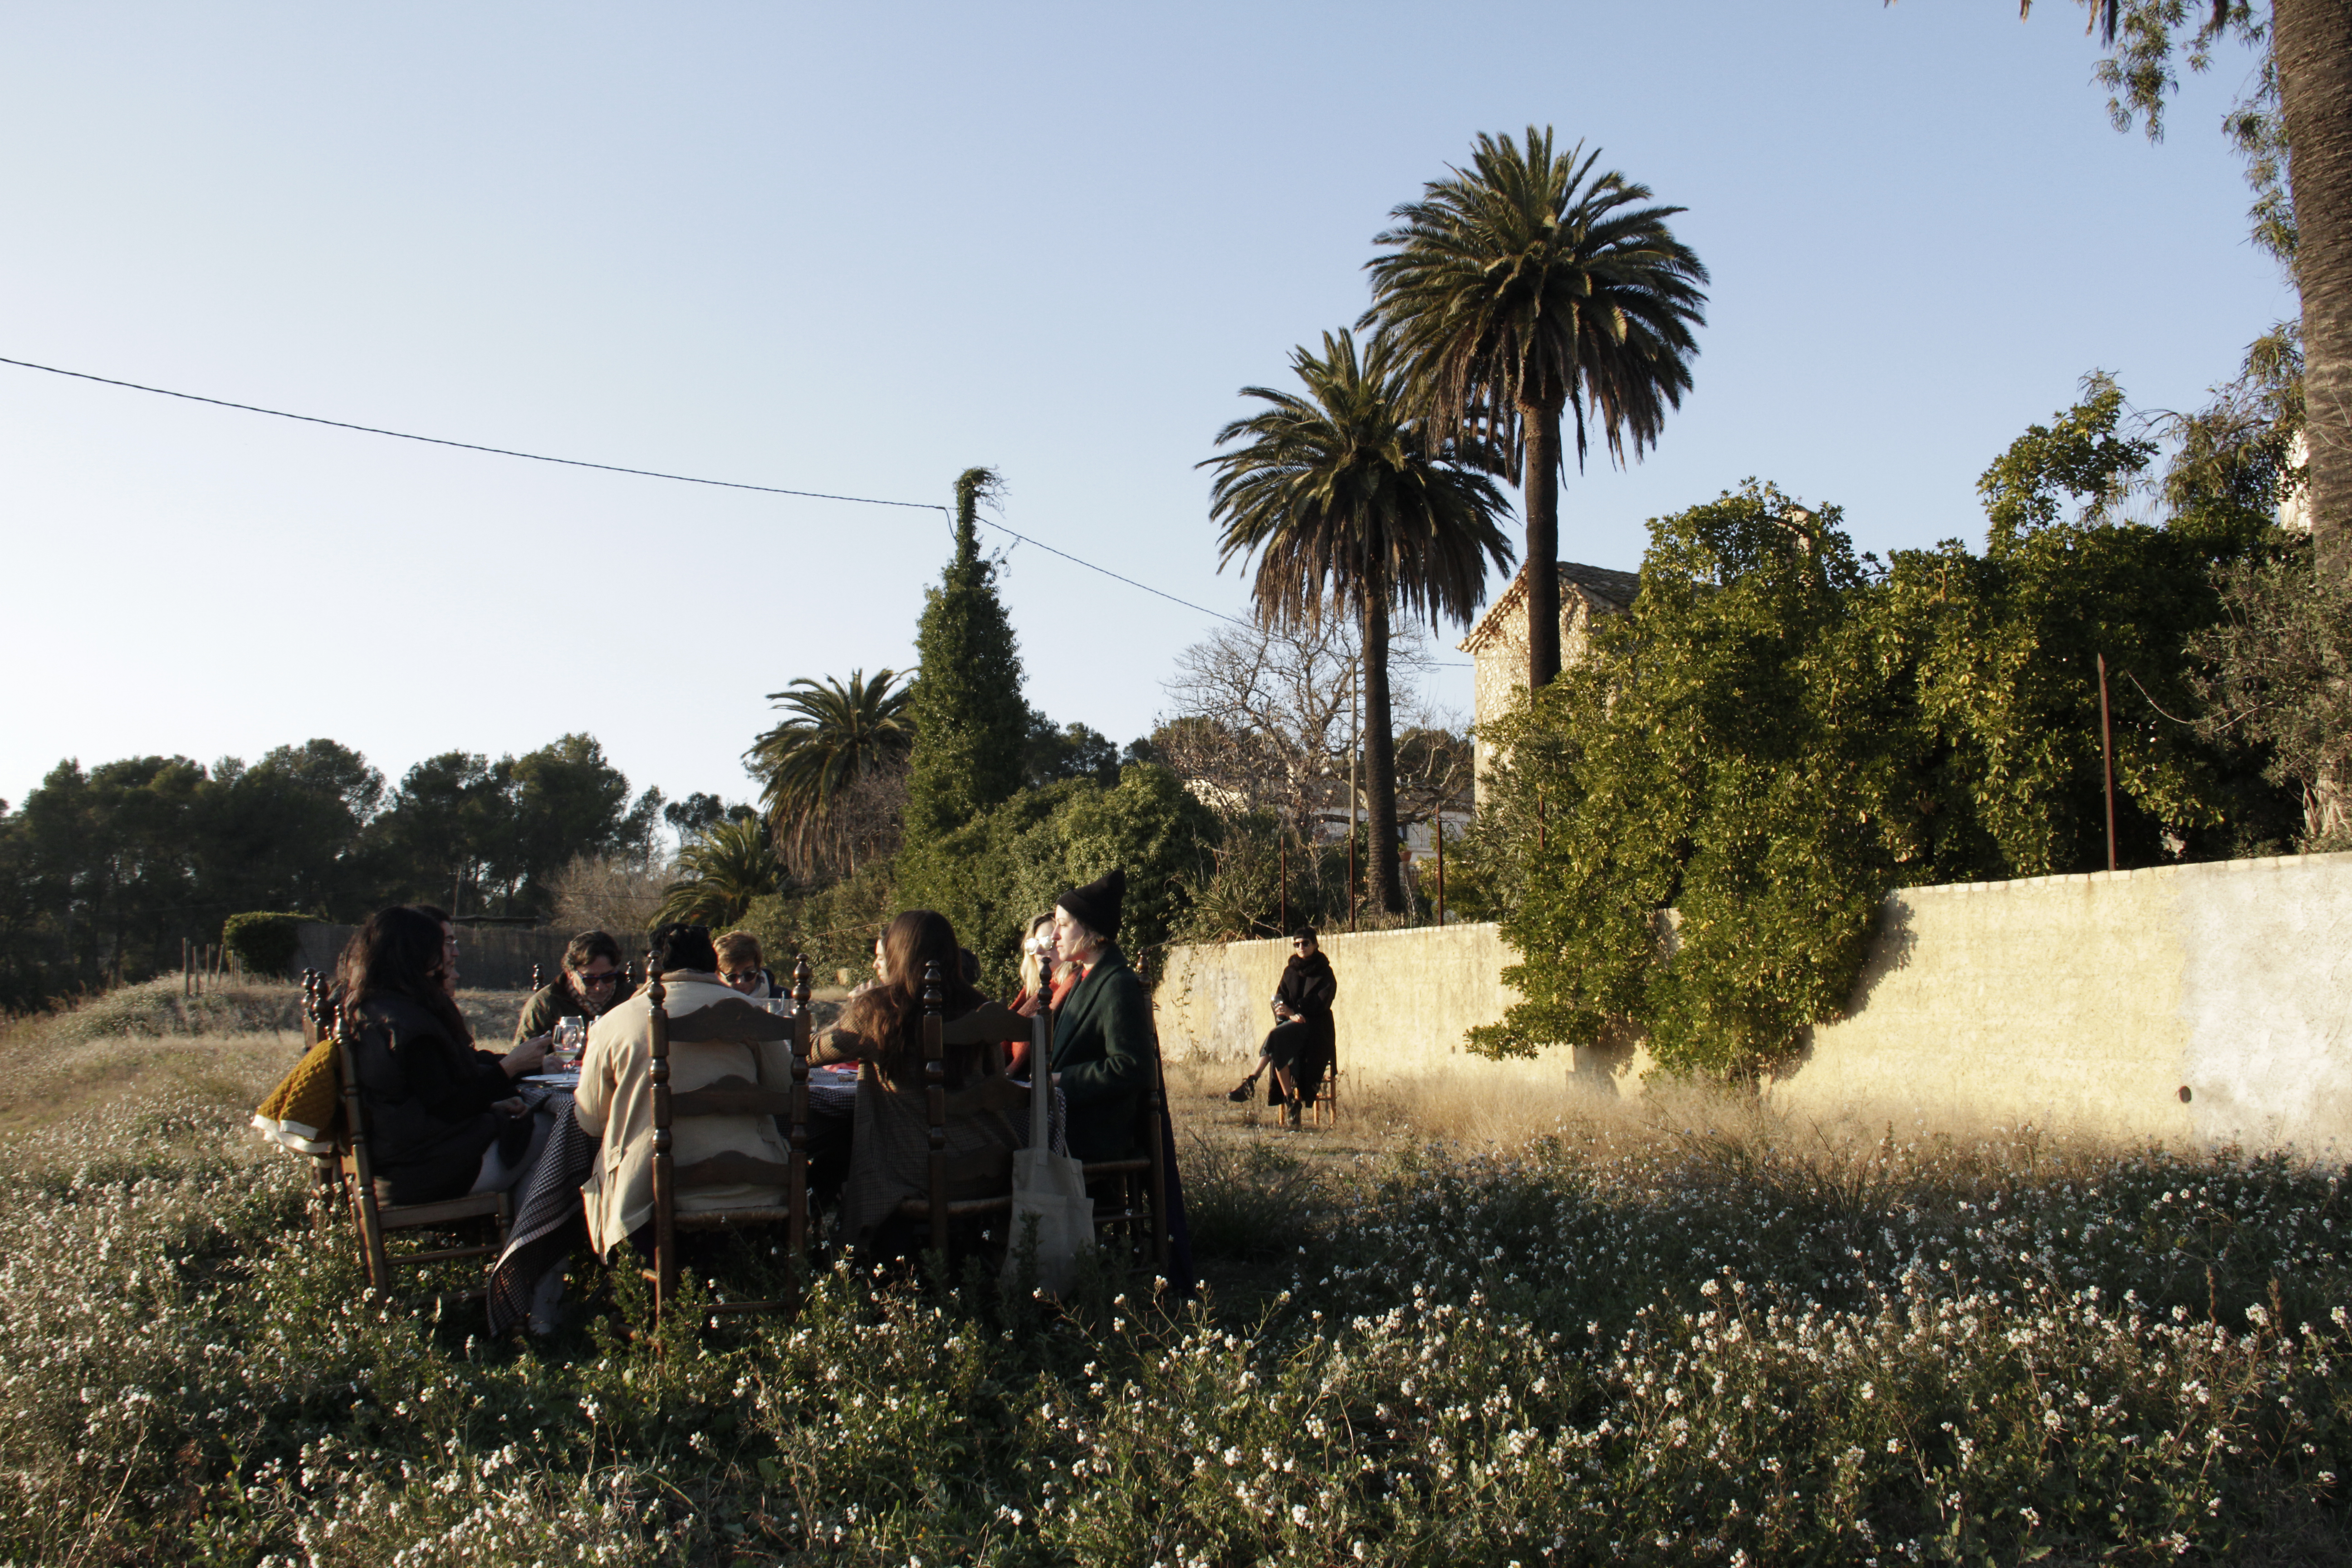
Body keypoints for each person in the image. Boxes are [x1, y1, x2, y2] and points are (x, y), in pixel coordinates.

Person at [573, 922, 794, 1259]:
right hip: (758, 1184)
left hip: (648, 1195)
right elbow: (785, 1089)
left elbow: (592, 1121)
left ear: (651, 965)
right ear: (713, 963)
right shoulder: (751, 1013)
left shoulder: (614, 1022)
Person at [813, 909, 1025, 1248]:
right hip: (994, 1164)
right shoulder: (981, 1009)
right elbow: (996, 1080)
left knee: (837, 1150)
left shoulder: (878, 1011)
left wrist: (852, 1009)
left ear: (898, 954)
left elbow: (813, 1053)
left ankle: (847, 1253)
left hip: (919, 1171)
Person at [338, 906, 549, 1205]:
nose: (448, 956)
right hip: (427, 1172)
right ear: (415, 954)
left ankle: (522, 1227)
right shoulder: (408, 1026)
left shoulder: (372, 1009)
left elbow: (423, 1099)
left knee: (535, 1140)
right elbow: (449, 1107)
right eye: (439, 947)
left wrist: (492, 1103)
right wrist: (510, 1067)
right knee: (557, 1130)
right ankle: (536, 1232)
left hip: (399, 1163)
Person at [1046, 869, 1152, 1162]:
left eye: (1063, 925)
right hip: (1071, 1125)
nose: (1054, 935)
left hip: (1093, 1136)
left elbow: (1132, 1067)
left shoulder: (1117, 984)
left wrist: (1061, 1080)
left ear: (1091, 931)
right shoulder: (1084, 977)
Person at [1228, 929, 1337, 1128]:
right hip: (1291, 1027)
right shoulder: (1290, 971)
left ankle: (1253, 1083)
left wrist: (1295, 1011)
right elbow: (1280, 998)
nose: (1301, 947)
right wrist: (1284, 1012)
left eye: (1305, 943)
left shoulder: (1325, 972)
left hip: (1315, 1028)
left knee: (1276, 1037)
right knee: (1278, 1040)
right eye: (1297, 944)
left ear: (1315, 945)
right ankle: (1288, 1100)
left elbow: (1322, 1002)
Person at [513, 931, 632, 1044]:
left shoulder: (630, 999)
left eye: (608, 978)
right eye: (590, 980)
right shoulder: (545, 1004)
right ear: (570, 973)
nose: (599, 987)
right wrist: (564, 1051)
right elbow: (523, 1054)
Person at [714, 931, 777, 1000]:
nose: (741, 982)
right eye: (732, 977)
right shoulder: (710, 1002)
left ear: (758, 969)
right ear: (718, 975)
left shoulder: (782, 999)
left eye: (749, 975)